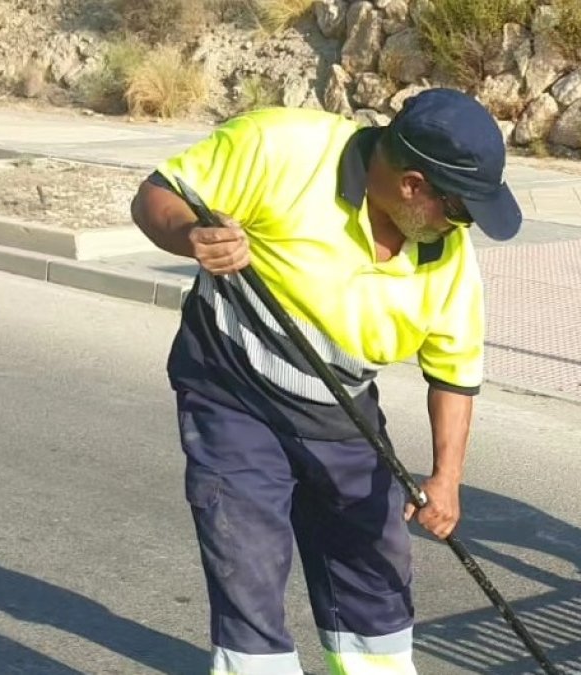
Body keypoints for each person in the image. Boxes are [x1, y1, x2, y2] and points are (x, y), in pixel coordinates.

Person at [128, 87, 521, 675]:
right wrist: (192, 237)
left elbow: (454, 369)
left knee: (373, 559)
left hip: (342, 410)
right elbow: (157, 195)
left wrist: (447, 479)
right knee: (249, 559)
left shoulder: (444, 249)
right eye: (461, 208)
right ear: (413, 185)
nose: (465, 225)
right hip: (233, 392)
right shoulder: (280, 147)